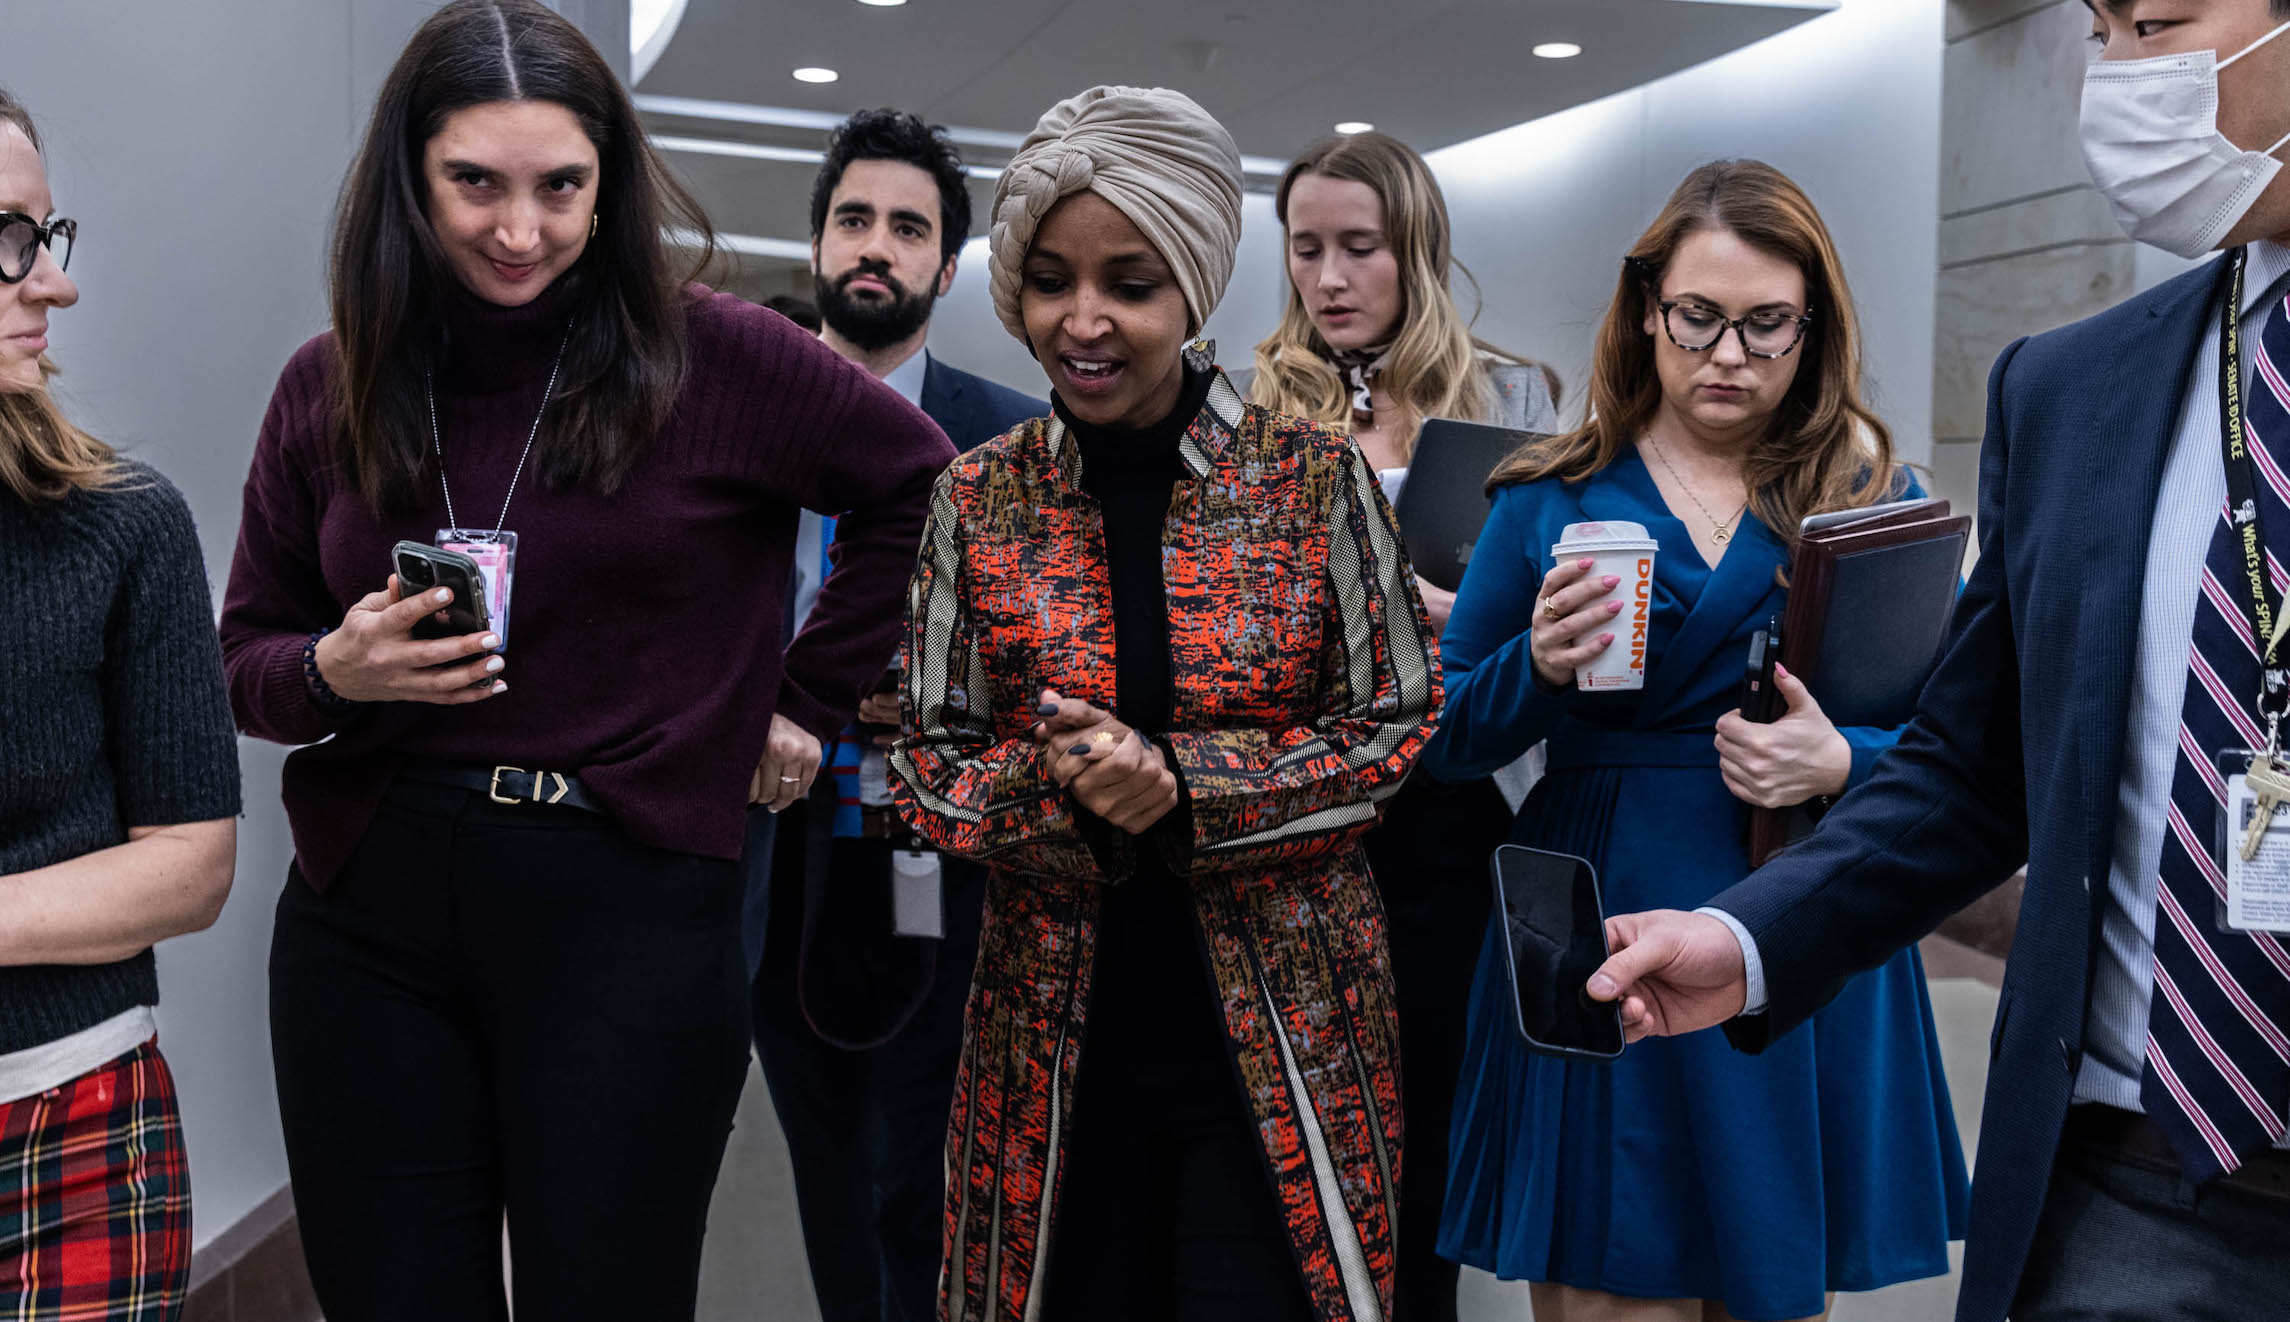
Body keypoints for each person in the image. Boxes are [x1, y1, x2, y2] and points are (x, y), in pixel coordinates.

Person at [216, 4, 951, 1319]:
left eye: (559, 186)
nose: (519, 230)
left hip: (630, 905)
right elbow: (245, 657)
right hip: (369, 907)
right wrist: (334, 669)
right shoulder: (333, 382)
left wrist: (801, 697)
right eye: (474, 184)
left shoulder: (712, 355)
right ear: (408, 181)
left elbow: (922, 487)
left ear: (608, 182)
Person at [1586, 4, 2290, 1320]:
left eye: (2155, 21)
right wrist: (1748, 933)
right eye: (2097, 29)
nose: (2112, 76)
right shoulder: (2073, 390)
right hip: (2134, 1183)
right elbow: (1971, 770)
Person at [891, 85, 1439, 1322]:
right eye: (1049, 282)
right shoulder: (976, 499)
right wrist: (1059, 785)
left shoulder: (1310, 482)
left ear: (1192, 292)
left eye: (1129, 285)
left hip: (1288, 1033)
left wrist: (1185, 783)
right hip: (1049, 1043)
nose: (1081, 320)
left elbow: (1393, 726)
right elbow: (927, 761)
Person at [1426, 159, 1968, 1322]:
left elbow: (1961, 748)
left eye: (1766, 323)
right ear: (1644, 311)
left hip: (1803, 903)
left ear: (1811, 329)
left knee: (1771, 1288)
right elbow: (1440, 740)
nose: (1729, 353)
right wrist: (1538, 664)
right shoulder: (1545, 495)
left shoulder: (1874, 497)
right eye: (1698, 316)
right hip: (1600, 903)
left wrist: (1840, 761)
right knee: (1610, 1283)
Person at [1249, 131, 1557, 1322]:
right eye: (1306, 248)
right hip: (1308, 812)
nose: (1329, 278)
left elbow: (1562, 595)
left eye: (1359, 247)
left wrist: (1466, 613)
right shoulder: (1242, 408)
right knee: (1298, 1142)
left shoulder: (1512, 397)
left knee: (1430, 1136)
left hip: (1461, 798)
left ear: (1416, 248)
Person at [746, 106, 1042, 1322]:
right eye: (854, 218)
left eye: (907, 228)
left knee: (920, 1171)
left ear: (946, 267)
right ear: (818, 239)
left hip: (940, 856)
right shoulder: (736, 413)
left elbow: (1054, 648)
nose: (876, 245)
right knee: (824, 1164)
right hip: (765, 847)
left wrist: (942, 686)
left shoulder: (1011, 438)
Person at [0, 88, 240, 1320]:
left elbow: (190, 865)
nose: (55, 283)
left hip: (72, 1126)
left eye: (45, 236)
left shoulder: (124, 524)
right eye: (8, 242)